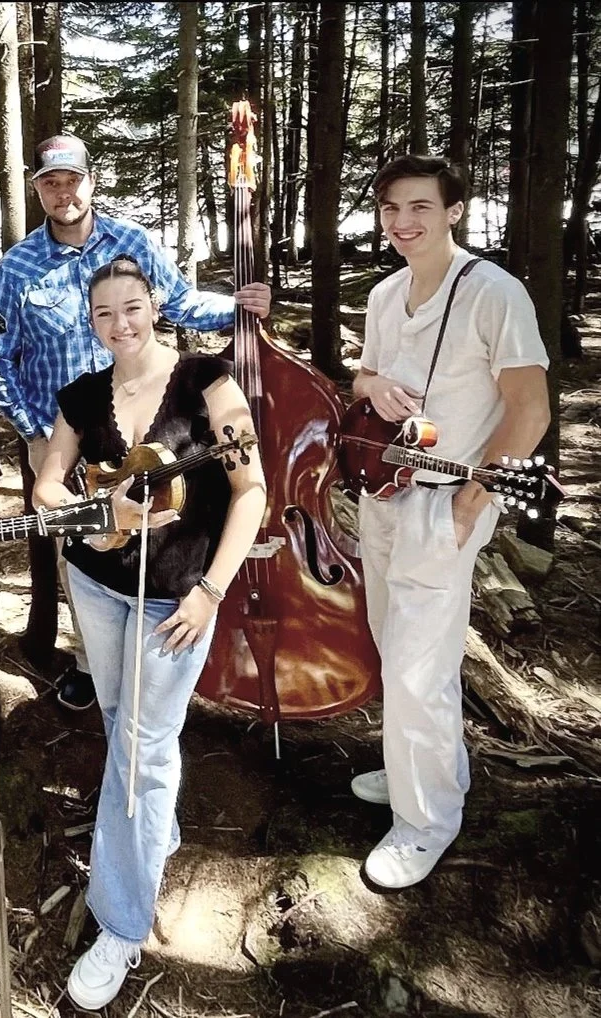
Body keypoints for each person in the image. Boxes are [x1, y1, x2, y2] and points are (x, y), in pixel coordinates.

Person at [33, 256, 267, 1009]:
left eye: (131, 308)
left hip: (178, 598)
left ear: (155, 304)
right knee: (117, 719)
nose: (120, 324)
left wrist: (211, 592)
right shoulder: (79, 395)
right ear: (91, 322)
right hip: (98, 588)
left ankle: (122, 924)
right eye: (104, 314)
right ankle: (151, 838)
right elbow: (45, 484)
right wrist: (86, 514)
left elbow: (251, 488)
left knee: (141, 746)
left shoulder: (207, 381)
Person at [0, 133, 271, 711]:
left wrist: (239, 303)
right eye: (51, 183)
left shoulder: (132, 241)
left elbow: (180, 302)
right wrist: (34, 429)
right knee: (78, 551)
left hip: (142, 426)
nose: (63, 192)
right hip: (60, 432)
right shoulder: (16, 267)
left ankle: (157, 650)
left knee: (157, 526)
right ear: (39, 190)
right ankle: (92, 662)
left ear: (90, 182)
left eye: (72, 180)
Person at [350, 155, 550, 889]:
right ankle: (422, 775)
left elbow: (530, 410)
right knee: (390, 646)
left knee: (416, 669)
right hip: (383, 492)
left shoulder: (493, 292)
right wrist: (374, 385)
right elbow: (362, 378)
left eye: (420, 208)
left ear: (455, 210)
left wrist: (476, 500)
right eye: (390, 209)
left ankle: (425, 823)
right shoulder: (383, 294)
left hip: (447, 501)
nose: (403, 223)